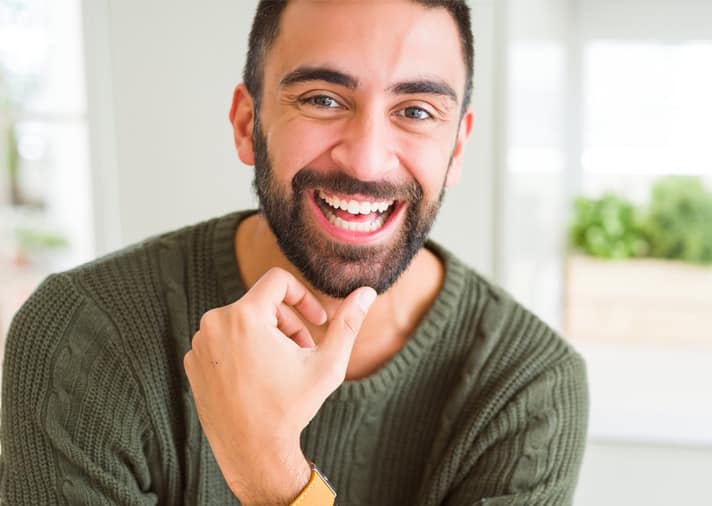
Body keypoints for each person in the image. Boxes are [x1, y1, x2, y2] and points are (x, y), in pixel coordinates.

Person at [0, 1, 588, 504]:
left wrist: (270, 474)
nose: (365, 159)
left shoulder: (527, 387)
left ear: (456, 148)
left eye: (415, 111)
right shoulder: (83, 333)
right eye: (323, 99)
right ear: (246, 123)